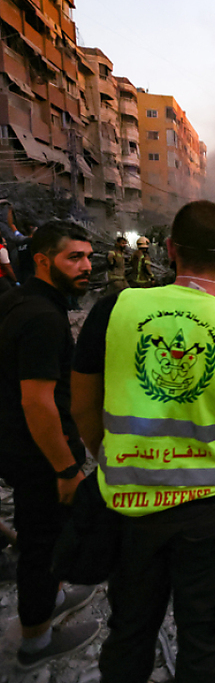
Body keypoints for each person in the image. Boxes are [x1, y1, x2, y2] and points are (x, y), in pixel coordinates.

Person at [72, 200, 215, 683]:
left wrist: (112, 457)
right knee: (204, 637)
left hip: (127, 502)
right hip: (209, 515)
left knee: (130, 627)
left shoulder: (115, 308)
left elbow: (82, 407)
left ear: (170, 249)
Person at [0, 221, 99, 670]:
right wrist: (64, 469)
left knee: (51, 535)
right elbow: (38, 401)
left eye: (88, 256)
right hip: (42, 454)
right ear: (43, 260)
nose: (86, 266)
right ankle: (35, 642)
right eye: (73, 258)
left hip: (21, 446)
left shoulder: (20, 301)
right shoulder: (42, 318)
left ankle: (56, 597)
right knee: (41, 545)